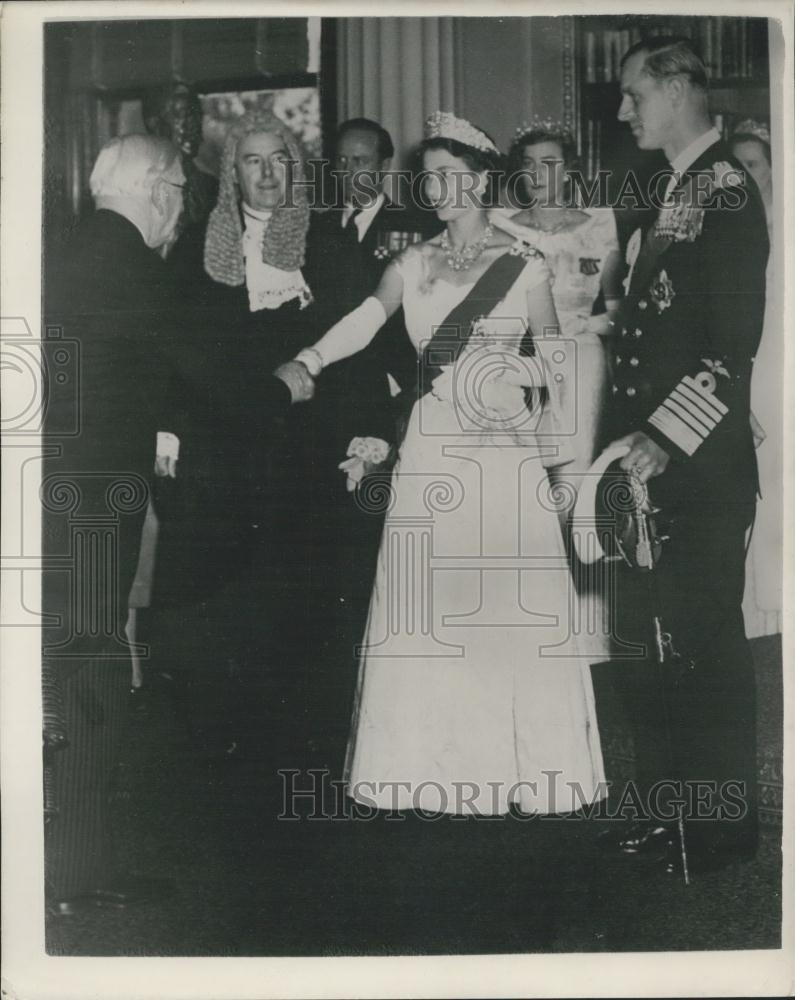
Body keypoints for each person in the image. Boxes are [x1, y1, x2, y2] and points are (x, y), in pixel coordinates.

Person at [286, 111, 606, 817]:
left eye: (451, 175)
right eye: (429, 175)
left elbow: (553, 355)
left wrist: (528, 396)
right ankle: (422, 764)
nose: (438, 188)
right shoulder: (410, 262)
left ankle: (514, 767)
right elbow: (367, 321)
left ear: (484, 180)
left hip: (500, 448)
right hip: (433, 443)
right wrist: (308, 359)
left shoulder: (522, 265)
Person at [42, 134, 309, 916]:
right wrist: (286, 385)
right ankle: (76, 877)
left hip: (47, 499)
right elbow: (212, 376)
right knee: (90, 678)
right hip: (91, 511)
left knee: (63, 675)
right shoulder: (132, 267)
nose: (177, 218)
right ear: (161, 192)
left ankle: (57, 868)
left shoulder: (65, 252)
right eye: (179, 201)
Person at [605, 38, 768, 873]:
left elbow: (727, 346)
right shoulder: (673, 187)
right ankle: (670, 813)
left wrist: (663, 437)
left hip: (694, 464)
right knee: (651, 642)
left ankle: (719, 834)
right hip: (649, 461)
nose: (624, 110)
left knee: (702, 647)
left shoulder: (727, 191)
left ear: (675, 90)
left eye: (634, 94)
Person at [492, 118, 623, 663]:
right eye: (531, 164)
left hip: (577, 359)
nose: (542, 174)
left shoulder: (599, 224)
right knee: (517, 489)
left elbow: (618, 311)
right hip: (513, 358)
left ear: (570, 168)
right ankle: (525, 626)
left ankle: (586, 635)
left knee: (572, 487)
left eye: (553, 163)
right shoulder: (500, 224)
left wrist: (585, 329)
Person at [729, 120, 782, 639]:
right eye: (737, 166)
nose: (745, 175)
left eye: (755, 165)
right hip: (751, 355)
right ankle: (757, 606)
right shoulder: (731, 224)